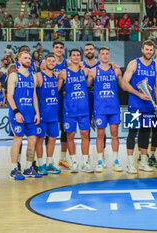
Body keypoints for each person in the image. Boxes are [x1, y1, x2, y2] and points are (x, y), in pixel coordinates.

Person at [122, 40, 157, 173]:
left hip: (149, 106)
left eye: (151, 50)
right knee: (132, 133)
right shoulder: (134, 63)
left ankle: (143, 162)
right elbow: (124, 83)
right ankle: (129, 163)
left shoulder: (156, 65)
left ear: (153, 51)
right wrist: (138, 94)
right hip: (134, 104)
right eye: (147, 49)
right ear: (142, 49)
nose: (149, 52)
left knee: (145, 133)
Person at [7, 51, 42, 180]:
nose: (28, 60)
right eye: (25, 58)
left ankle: (28, 168)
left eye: (29, 58)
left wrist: (37, 113)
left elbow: (34, 96)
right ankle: (14, 168)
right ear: (18, 60)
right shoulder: (14, 75)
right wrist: (16, 112)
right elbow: (9, 96)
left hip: (30, 114)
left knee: (33, 140)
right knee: (18, 140)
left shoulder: (33, 76)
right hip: (18, 114)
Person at [87, 47, 123, 172]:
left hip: (113, 107)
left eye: (107, 54)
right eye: (103, 54)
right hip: (100, 108)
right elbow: (86, 85)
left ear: (109, 55)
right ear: (99, 56)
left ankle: (115, 160)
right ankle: (100, 160)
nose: (105, 56)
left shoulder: (116, 70)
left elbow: (123, 85)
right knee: (100, 135)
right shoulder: (93, 71)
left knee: (115, 135)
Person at [58, 49, 93, 173]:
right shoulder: (63, 73)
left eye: (78, 55)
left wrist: (112, 65)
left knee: (85, 135)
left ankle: (85, 162)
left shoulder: (86, 71)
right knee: (70, 136)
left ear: (80, 57)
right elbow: (57, 89)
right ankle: (73, 162)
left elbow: (96, 72)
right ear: (70, 58)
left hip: (83, 108)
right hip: (69, 109)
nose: (76, 57)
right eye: (74, 55)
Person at [40, 41, 69, 169]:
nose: (59, 49)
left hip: (62, 99)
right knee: (46, 131)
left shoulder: (66, 63)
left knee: (64, 128)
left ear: (63, 50)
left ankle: (62, 158)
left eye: (61, 48)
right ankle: (43, 161)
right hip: (47, 100)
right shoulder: (44, 63)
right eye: (56, 47)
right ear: (53, 49)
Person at [35, 54, 61, 175]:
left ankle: (49, 163)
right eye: (49, 60)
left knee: (52, 138)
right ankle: (40, 164)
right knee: (39, 139)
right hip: (42, 114)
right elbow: (32, 93)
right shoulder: (39, 76)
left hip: (54, 114)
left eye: (53, 61)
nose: (51, 62)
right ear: (44, 62)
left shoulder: (56, 76)